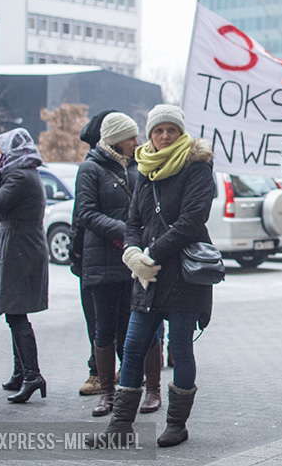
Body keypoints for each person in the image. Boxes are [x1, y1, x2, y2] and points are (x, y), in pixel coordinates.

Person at [88, 104, 215, 448]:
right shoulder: (145, 167)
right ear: (150, 135)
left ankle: (177, 424)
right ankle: (120, 427)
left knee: (180, 348)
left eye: (170, 130)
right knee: (132, 348)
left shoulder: (197, 166)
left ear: (180, 132)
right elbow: (133, 221)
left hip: (183, 277)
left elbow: (191, 221)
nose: (163, 136)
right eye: (158, 131)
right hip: (147, 275)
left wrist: (150, 253)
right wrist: (132, 252)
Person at [75, 112, 163, 417]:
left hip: (134, 261)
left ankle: (145, 390)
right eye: (131, 137)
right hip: (102, 261)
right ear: (115, 139)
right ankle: (108, 396)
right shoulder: (90, 169)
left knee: (141, 326)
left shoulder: (139, 168)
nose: (137, 142)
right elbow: (85, 214)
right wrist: (126, 231)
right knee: (104, 329)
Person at [0, 128, 49, 403]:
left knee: (16, 312)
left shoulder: (19, 175)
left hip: (20, 247)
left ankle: (32, 375)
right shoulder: (25, 172)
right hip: (21, 244)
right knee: (14, 309)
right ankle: (20, 372)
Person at [70, 109, 117, 397]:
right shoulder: (92, 167)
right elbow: (82, 214)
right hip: (95, 256)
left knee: (107, 320)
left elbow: (82, 215)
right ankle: (99, 373)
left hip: (110, 256)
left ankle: (106, 376)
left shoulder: (128, 167)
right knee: (99, 320)